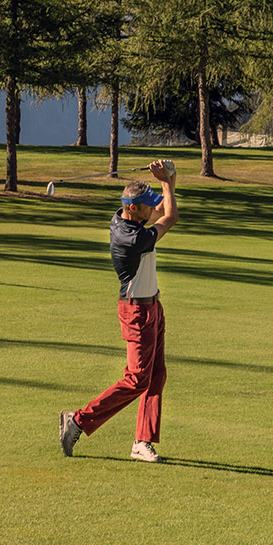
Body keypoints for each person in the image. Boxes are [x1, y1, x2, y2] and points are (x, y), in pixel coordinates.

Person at [59, 159, 178, 462]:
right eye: (148, 206)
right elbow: (170, 216)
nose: (155, 208)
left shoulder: (124, 219)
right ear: (134, 209)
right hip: (137, 312)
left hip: (152, 306)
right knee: (137, 379)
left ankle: (142, 442)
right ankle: (78, 420)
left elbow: (162, 207)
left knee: (156, 376)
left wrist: (167, 179)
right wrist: (168, 180)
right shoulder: (134, 238)